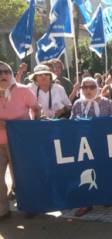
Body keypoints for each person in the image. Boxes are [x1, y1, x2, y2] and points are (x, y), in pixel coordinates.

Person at [71, 77, 112, 216]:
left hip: (103, 143)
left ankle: (106, 197)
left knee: (104, 170)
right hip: (84, 145)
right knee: (85, 172)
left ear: (96, 87)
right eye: (85, 87)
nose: (88, 90)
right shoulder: (77, 104)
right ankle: (86, 202)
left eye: (91, 87)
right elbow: (71, 123)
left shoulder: (106, 103)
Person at [0, 61, 41, 221]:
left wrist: (30, 128)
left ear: (11, 74)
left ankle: (30, 205)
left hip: (19, 143)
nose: (3, 75)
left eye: (6, 72)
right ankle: (2, 210)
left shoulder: (24, 90)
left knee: (23, 177)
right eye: (0, 72)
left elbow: (36, 109)